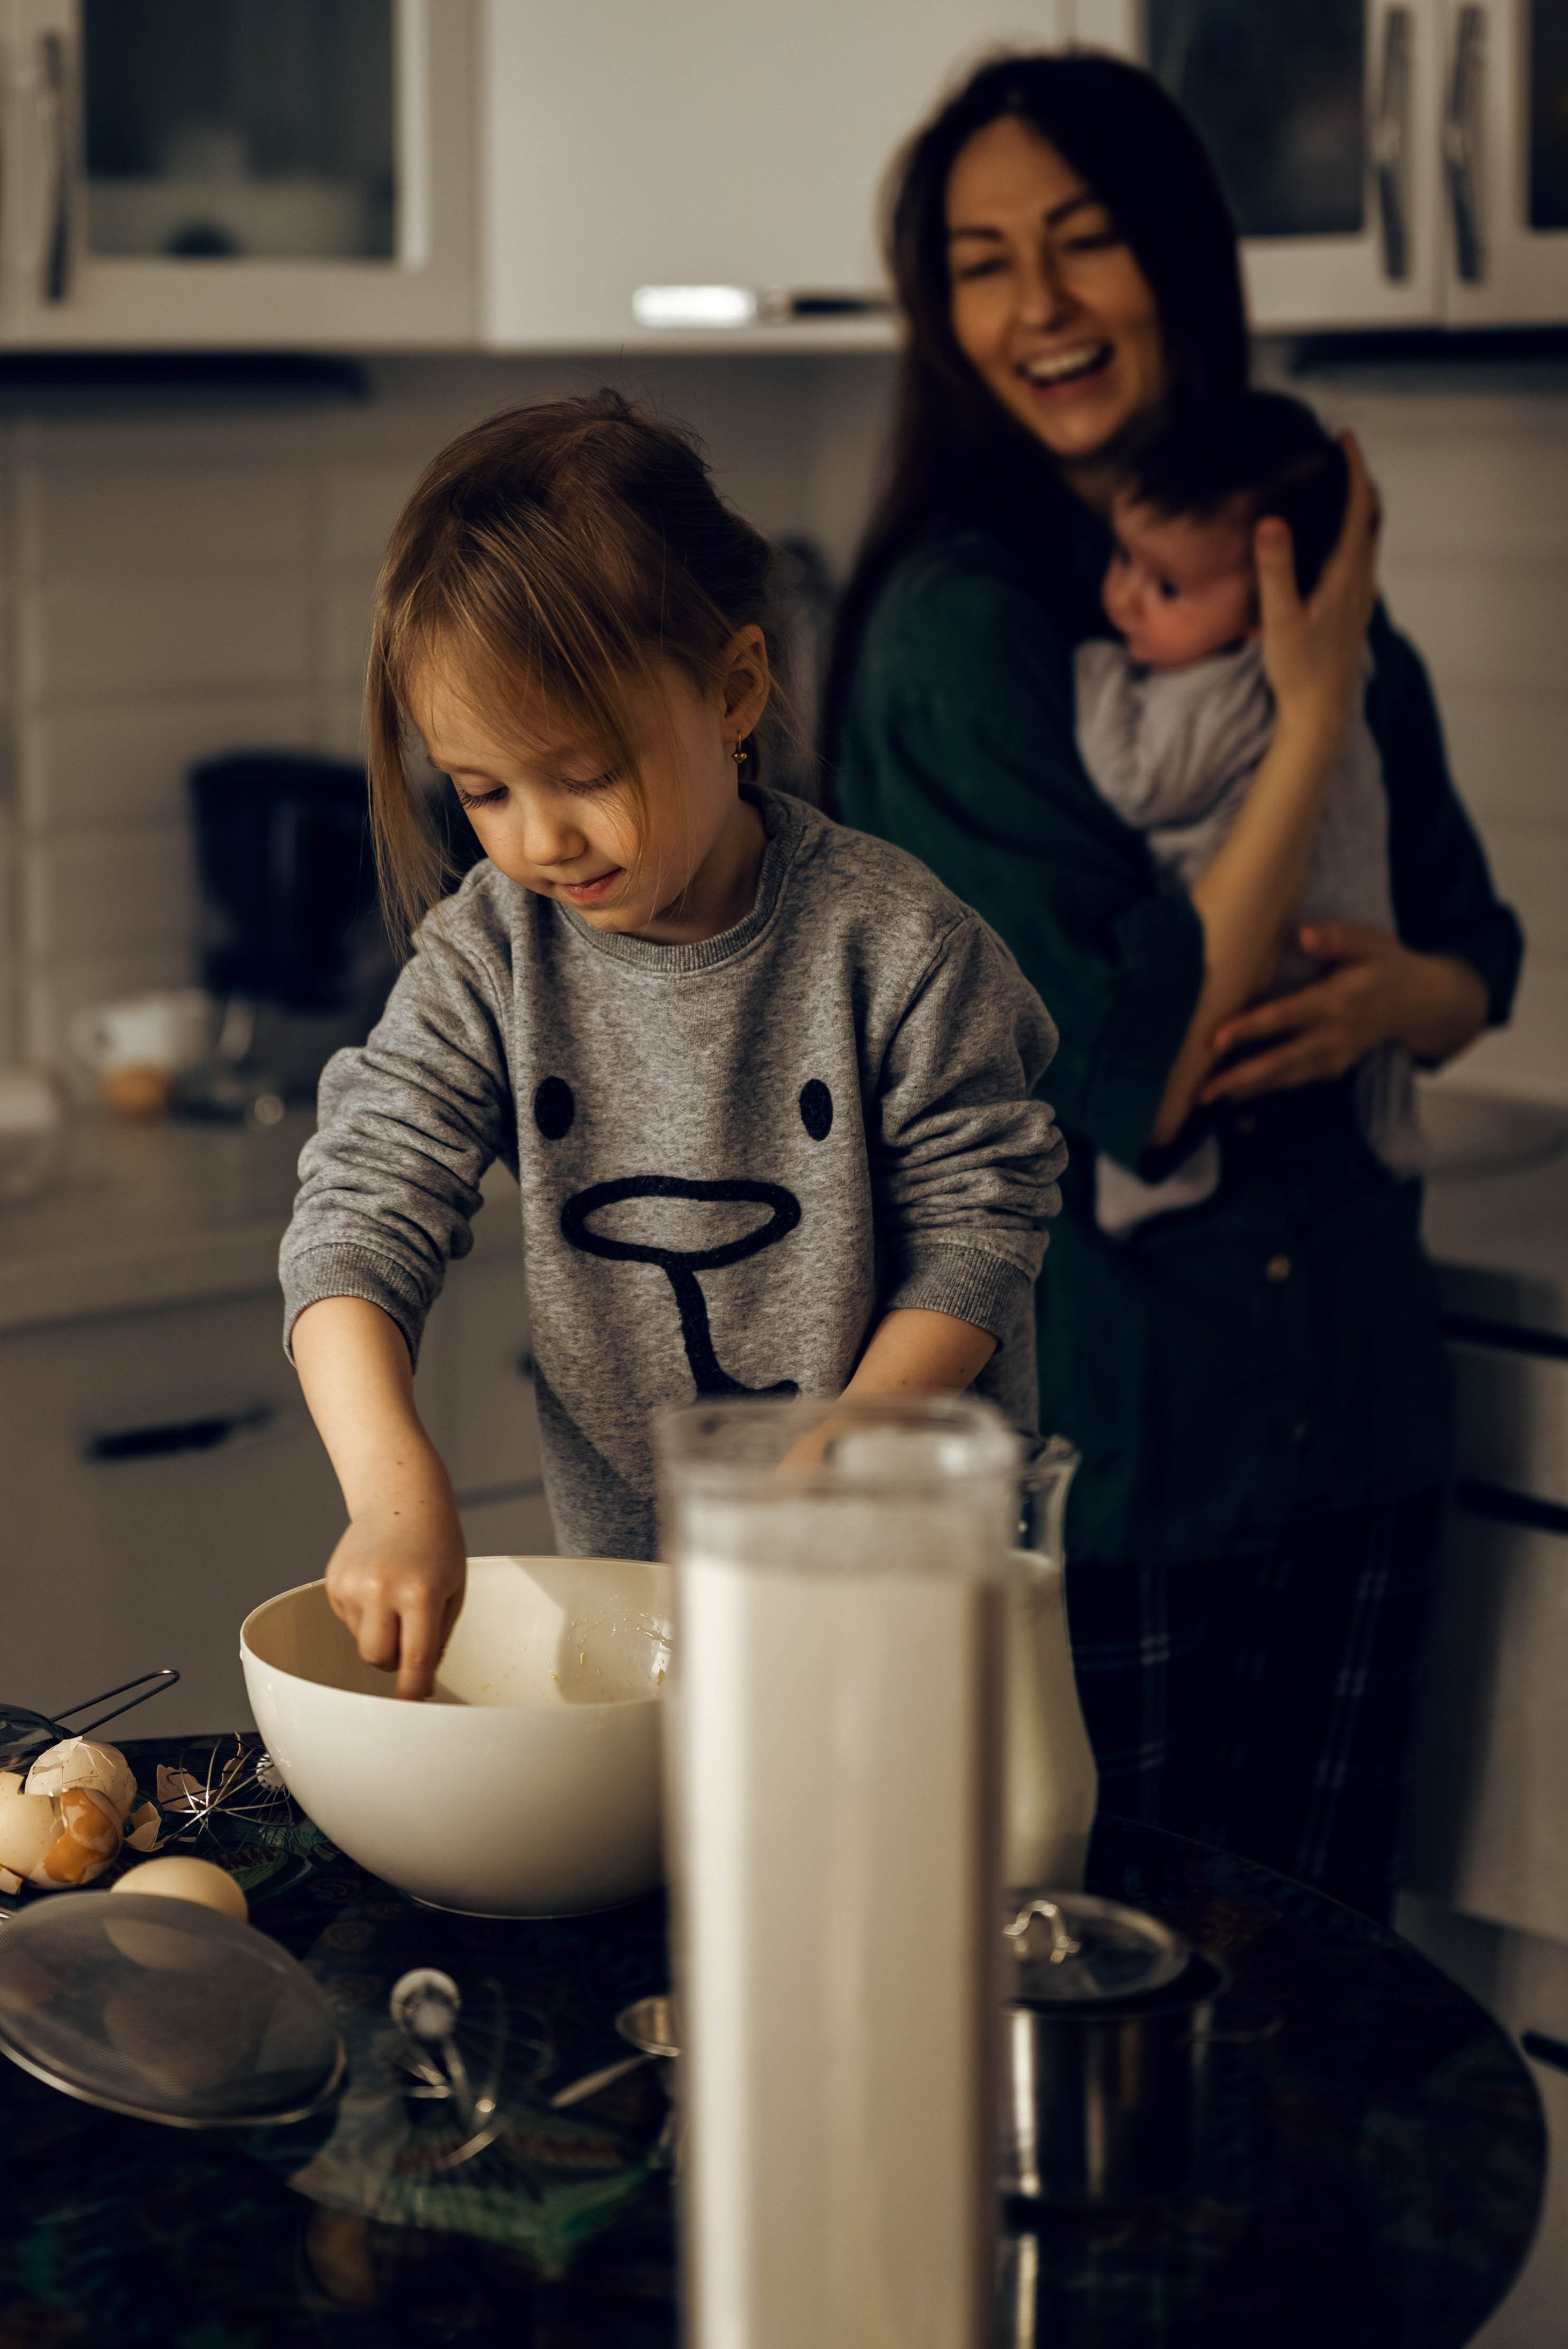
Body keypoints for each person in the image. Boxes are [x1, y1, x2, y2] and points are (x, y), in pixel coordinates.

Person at [829, 51, 1523, 1918]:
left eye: (1086, 240)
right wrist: (1306, 709)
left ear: (1181, 261)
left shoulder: (1271, 530)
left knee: (1325, 2018)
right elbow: (1133, 1055)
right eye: (984, 261)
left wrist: (1411, 1003)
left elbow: (1480, 951)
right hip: (1108, 1459)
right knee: (1097, 2027)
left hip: (1351, 1412)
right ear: (939, 311)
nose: (1039, 304)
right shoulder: (957, 625)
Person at [281, 391, 1065, 1700]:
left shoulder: (895, 944)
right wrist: (392, 1486)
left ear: (733, 690)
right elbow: (359, 1210)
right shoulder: (494, 955)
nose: (539, 838)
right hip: (654, 1620)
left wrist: (831, 1465)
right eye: (481, 791)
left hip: (913, 1595)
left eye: (581, 771)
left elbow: (982, 1226)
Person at [1077, 388, 1418, 1239]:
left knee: (1210, 1099)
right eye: (1122, 560)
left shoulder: (1217, 689)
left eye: (1167, 586)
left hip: (1264, 953)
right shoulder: (1353, 659)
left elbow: (1135, 781)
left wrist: (1094, 672)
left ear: (1271, 603)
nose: (1122, 600)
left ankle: (1157, 1188)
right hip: (1353, 930)